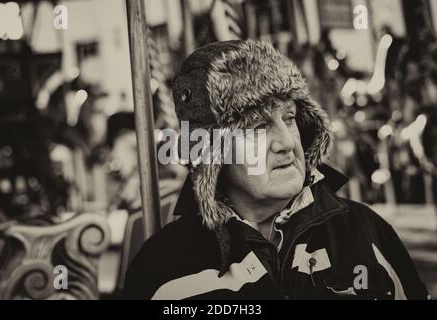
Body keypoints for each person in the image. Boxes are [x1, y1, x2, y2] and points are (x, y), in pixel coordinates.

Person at [123, 40, 429, 300]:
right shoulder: (163, 269)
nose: (285, 141)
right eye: (257, 127)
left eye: (290, 117)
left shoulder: (366, 230)